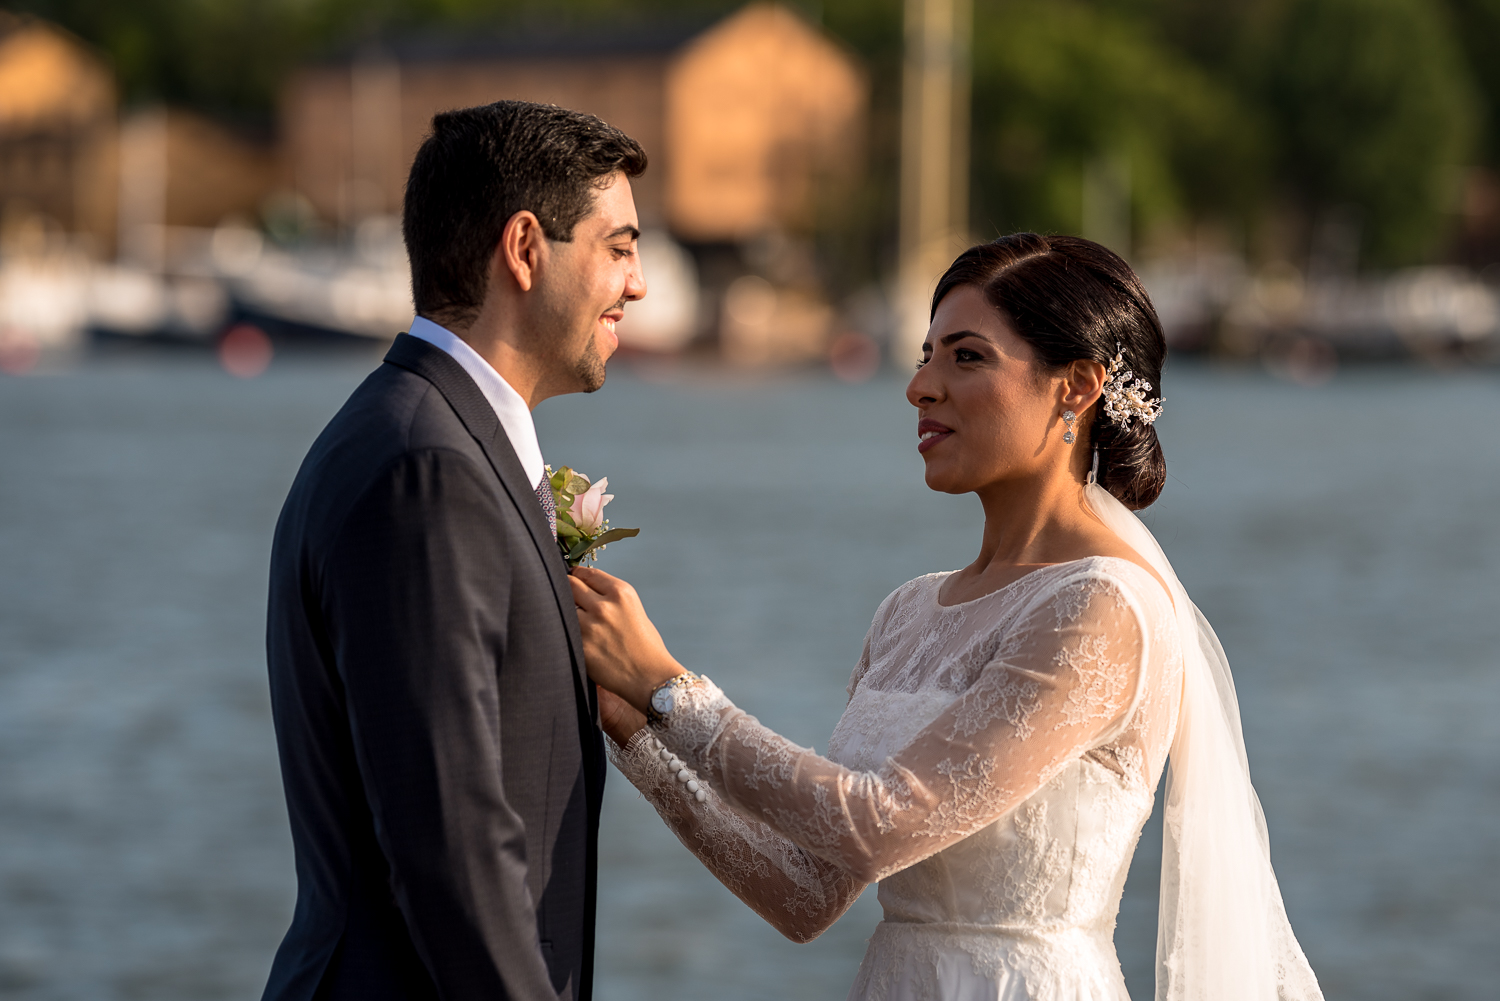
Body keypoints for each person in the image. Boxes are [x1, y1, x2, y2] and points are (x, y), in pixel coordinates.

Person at [571, 234, 1323, 1000]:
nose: (921, 386)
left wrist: (669, 686)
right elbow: (805, 893)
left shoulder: (1103, 606)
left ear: (1079, 386)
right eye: (928, 354)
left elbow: (882, 822)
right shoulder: (907, 610)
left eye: (966, 357)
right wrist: (633, 726)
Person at [262, 100, 646, 1001]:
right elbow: (453, 847)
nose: (638, 283)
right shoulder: (426, 469)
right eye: (619, 247)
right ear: (524, 248)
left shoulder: (428, 436)